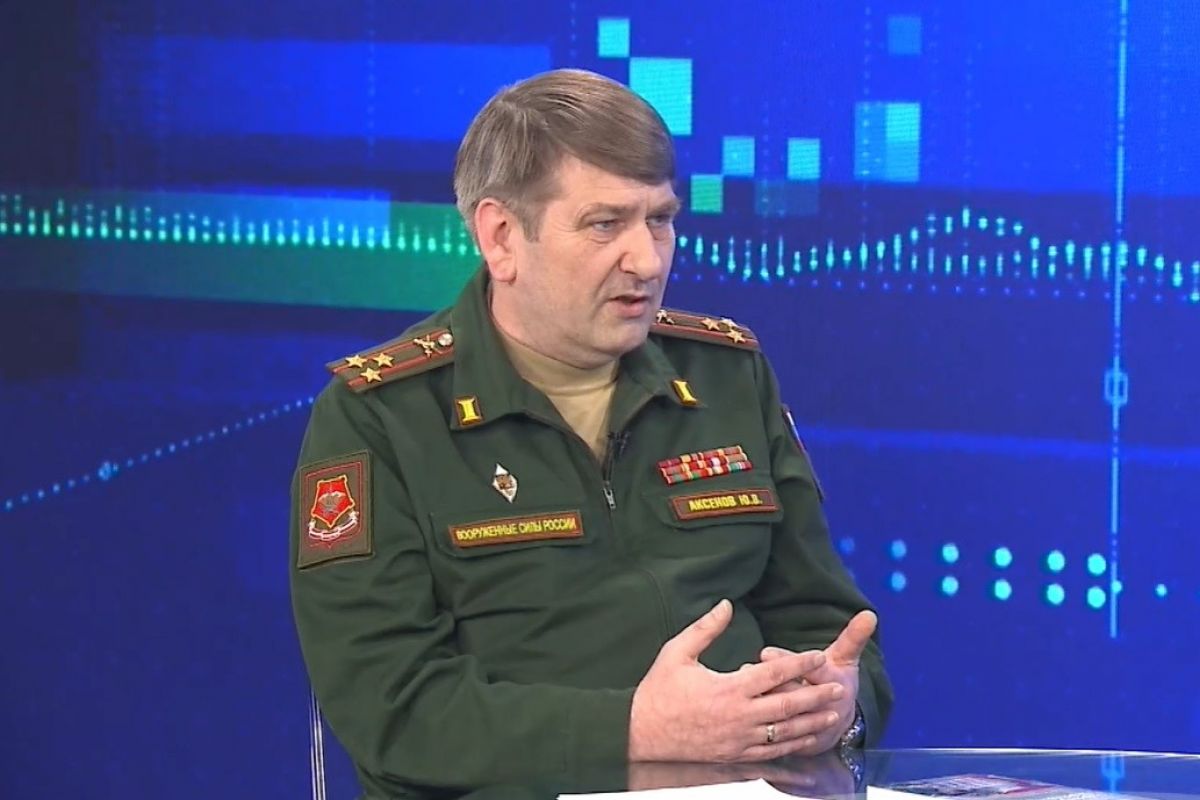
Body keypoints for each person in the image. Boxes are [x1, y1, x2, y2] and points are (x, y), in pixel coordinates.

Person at [290, 68, 892, 799]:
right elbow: (394, 714)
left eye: (660, 219)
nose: (648, 259)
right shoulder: (381, 415)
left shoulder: (728, 376)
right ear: (502, 238)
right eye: (605, 224)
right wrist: (634, 733)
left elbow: (826, 620)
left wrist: (837, 705)